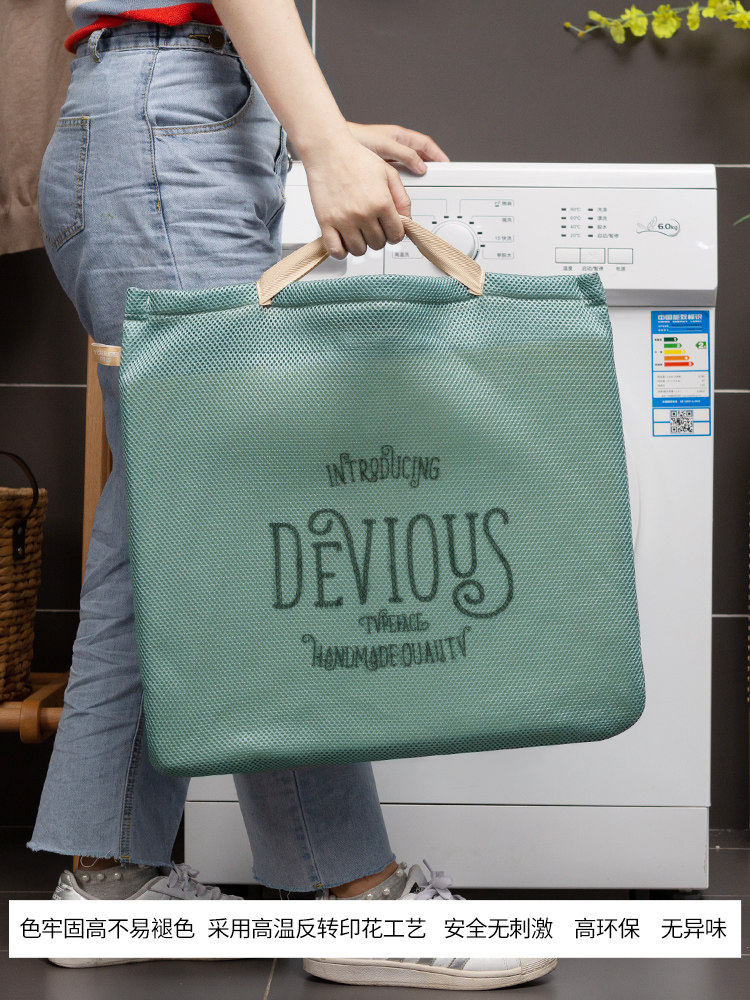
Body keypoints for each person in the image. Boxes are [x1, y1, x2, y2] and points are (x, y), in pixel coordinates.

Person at [30, 0, 556, 988]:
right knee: (243, 512)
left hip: (167, 120)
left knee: (170, 521)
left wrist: (307, 122)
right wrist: (317, 138)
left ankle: (110, 878)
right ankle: (352, 892)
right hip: (168, 130)